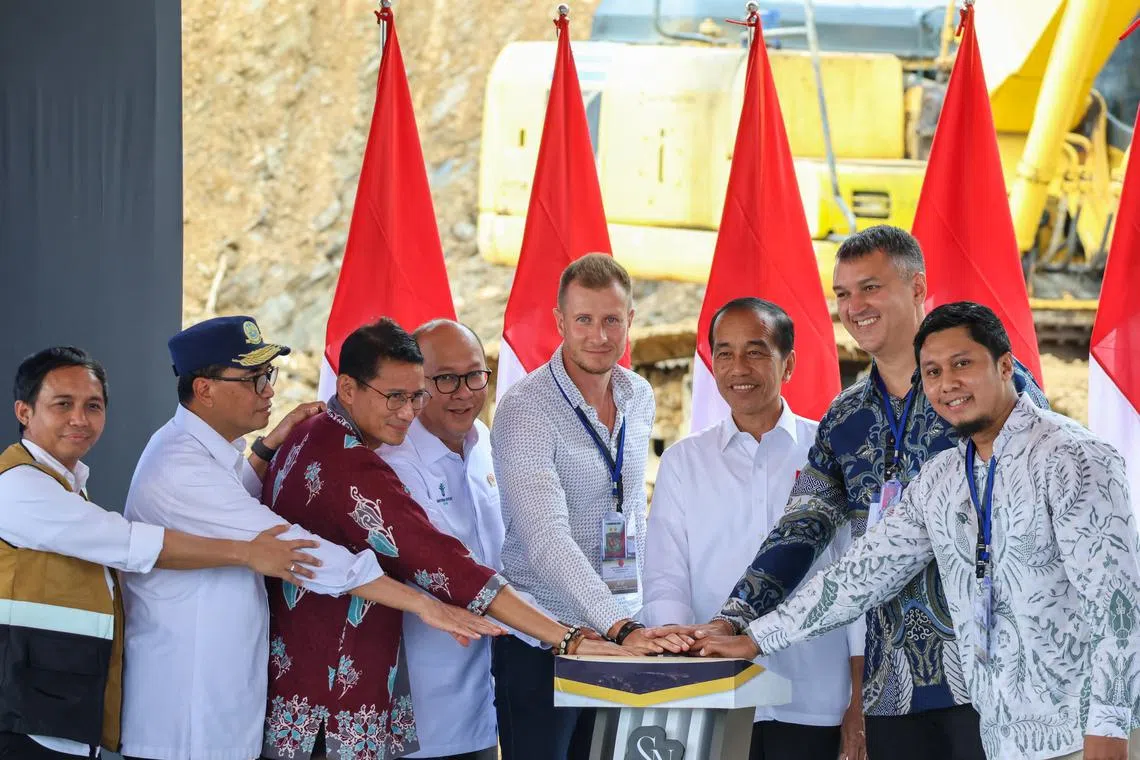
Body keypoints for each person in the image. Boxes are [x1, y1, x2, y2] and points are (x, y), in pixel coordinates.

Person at [653, 226, 1048, 760]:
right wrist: (733, 618)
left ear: (917, 287)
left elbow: (1041, 511)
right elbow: (802, 529)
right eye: (842, 293)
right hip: (893, 688)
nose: (855, 307)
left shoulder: (986, 384)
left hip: (993, 673)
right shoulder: (844, 418)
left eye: (870, 288)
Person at [699, 302, 1140, 760]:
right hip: (1000, 740)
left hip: (1081, 738)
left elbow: (1117, 604)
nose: (947, 384)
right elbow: (860, 574)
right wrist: (757, 637)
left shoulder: (1073, 457)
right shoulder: (942, 478)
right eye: (932, 372)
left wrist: (1108, 728)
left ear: (1006, 365)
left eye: (962, 364)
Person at [119, 317, 499, 760]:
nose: (269, 391)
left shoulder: (203, 452)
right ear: (204, 389)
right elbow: (303, 552)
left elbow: (235, 501)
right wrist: (424, 603)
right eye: (254, 379)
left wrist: (265, 449)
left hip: (220, 701)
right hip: (187, 713)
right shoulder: (183, 466)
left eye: (269, 375)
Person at [261, 317, 626, 760]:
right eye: (396, 396)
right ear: (348, 388)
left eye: (415, 396)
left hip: (355, 693)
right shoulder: (358, 461)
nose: (407, 411)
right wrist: (567, 639)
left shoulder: (314, 430)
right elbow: (445, 563)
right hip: (341, 700)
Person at [0, 346, 320, 760]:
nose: (79, 418)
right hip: (23, 716)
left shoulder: (64, 484)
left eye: (93, 406)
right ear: (24, 412)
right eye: (63, 404)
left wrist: (266, 448)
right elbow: (129, 543)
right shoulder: (18, 487)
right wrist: (246, 553)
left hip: (59, 712)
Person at [642, 298, 864, 760]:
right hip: (713, 697)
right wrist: (679, 675)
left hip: (816, 697)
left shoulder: (830, 454)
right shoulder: (683, 462)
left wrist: (859, 701)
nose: (738, 367)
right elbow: (665, 579)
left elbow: (859, 580)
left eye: (756, 352)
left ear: (789, 364)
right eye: (724, 353)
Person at [491, 253, 690, 760]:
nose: (599, 336)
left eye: (611, 320)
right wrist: (618, 625)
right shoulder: (526, 408)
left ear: (630, 320)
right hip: (545, 640)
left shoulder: (638, 395)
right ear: (560, 322)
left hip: (621, 635)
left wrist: (640, 616)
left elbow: (634, 514)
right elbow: (545, 539)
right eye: (584, 320)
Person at [378, 320, 503, 760]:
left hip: (488, 694)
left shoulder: (486, 443)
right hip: (422, 701)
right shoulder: (391, 461)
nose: (464, 393)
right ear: (416, 384)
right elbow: (451, 570)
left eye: (474, 375)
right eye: (446, 379)